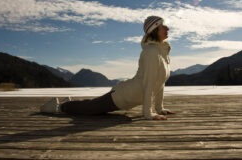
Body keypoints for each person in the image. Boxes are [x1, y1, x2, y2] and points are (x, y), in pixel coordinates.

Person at [40, 15, 175, 120]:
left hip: (129, 97)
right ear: (154, 30)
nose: (167, 28)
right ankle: (57, 107)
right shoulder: (151, 52)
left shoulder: (162, 54)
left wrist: (159, 108)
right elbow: (148, 83)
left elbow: (160, 83)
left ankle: (70, 104)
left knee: (93, 106)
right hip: (123, 96)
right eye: (163, 26)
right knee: (90, 109)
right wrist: (148, 114)